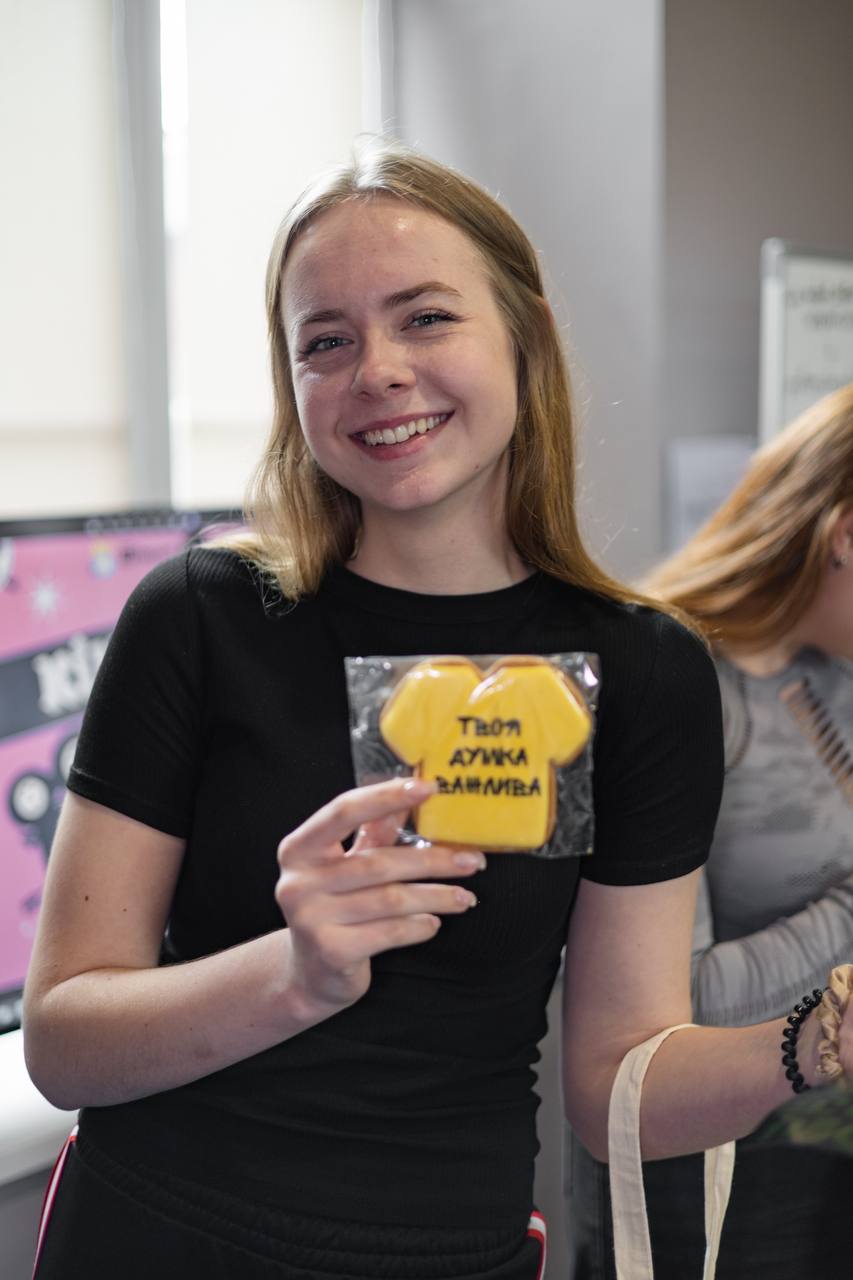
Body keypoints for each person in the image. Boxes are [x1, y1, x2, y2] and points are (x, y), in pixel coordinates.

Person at [22, 139, 852, 1280]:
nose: (378, 370)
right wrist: (295, 973)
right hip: (158, 1236)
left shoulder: (643, 670)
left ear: (524, 336)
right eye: (325, 341)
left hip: (450, 1250)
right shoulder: (200, 615)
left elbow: (616, 1083)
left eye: (424, 318)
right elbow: (63, 1041)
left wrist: (818, 1040)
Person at [566, 385, 853, 1279]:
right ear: (845, 535)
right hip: (710, 1190)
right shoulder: (673, 689)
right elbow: (660, 1018)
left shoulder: (827, 673)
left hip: (821, 1162)